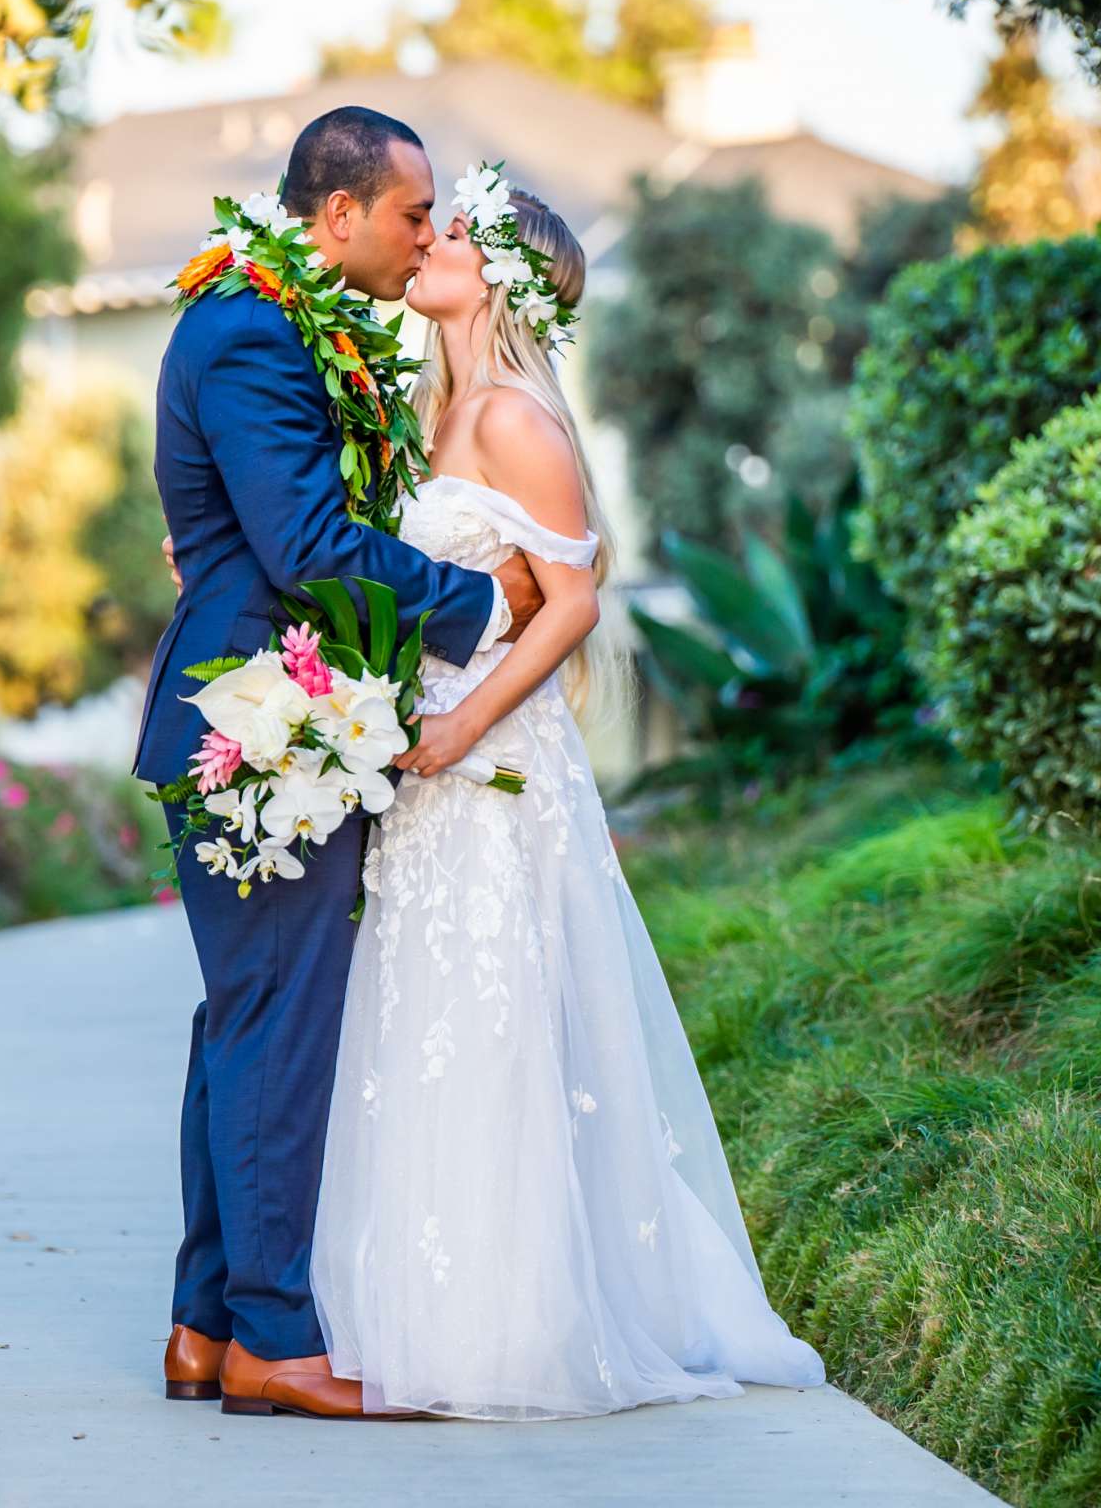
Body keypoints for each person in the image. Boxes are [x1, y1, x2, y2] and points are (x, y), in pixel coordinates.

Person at [305, 172, 826, 1419]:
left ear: (505, 278)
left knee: (491, 1025)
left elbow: (578, 602)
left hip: (493, 766)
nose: (426, 239)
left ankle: (508, 1327)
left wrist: (462, 723)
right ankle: (414, 1309)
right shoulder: (437, 411)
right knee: (418, 1023)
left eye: (454, 230)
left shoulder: (515, 421)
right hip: (428, 768)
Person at [130, 107, 545, 1421]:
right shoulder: (253, 330)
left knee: (241, 1019)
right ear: (337, 218)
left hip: (267, 699)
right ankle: (272, 1339)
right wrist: (482, 605)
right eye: (415, 213)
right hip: (264, 716)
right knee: (276, 1023)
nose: (432, 235)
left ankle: (205, 1327)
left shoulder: (277, 318)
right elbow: (310, 540)